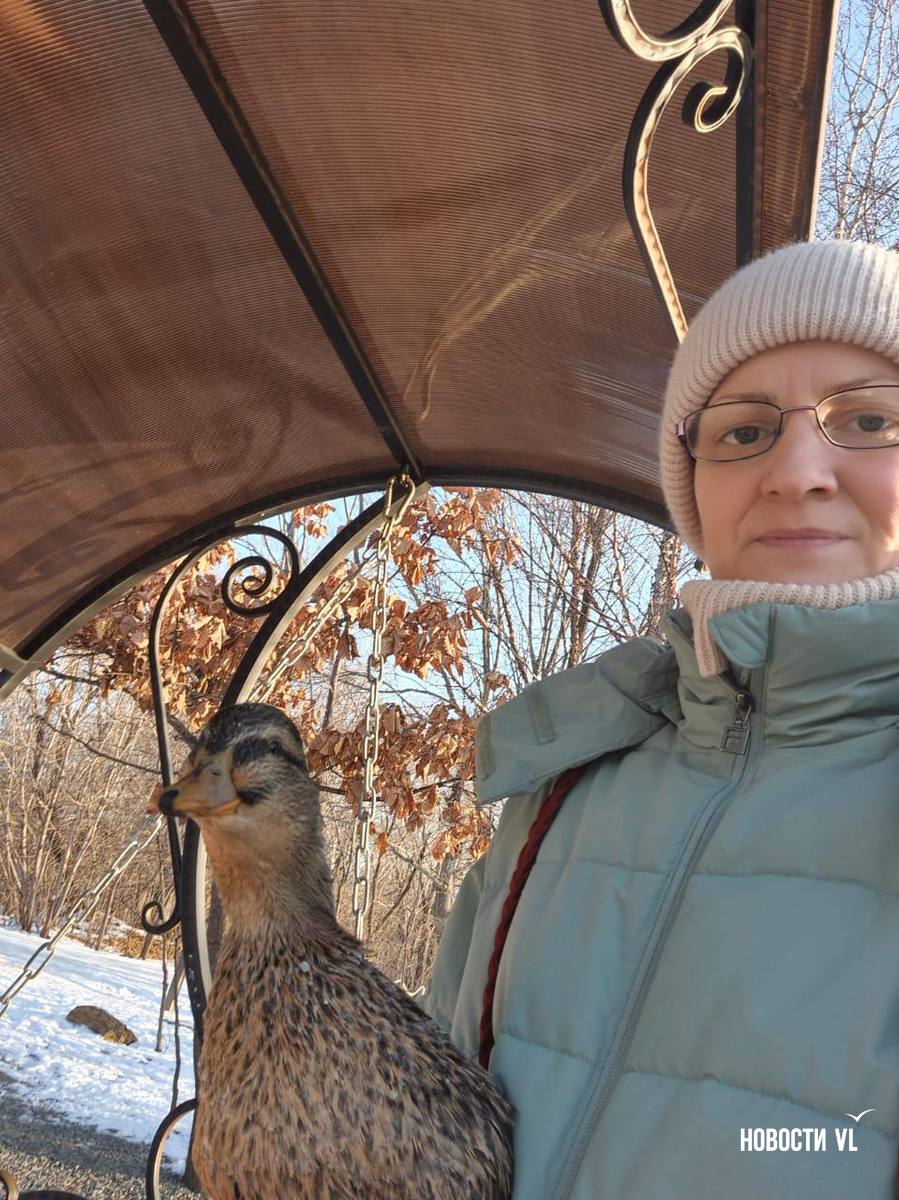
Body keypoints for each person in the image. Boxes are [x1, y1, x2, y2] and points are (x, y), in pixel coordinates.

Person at [420, 238, 899, 1199]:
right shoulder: (565, 780)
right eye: (743, 432)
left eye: (868, 420)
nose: (795, 470)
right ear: (694, 485)